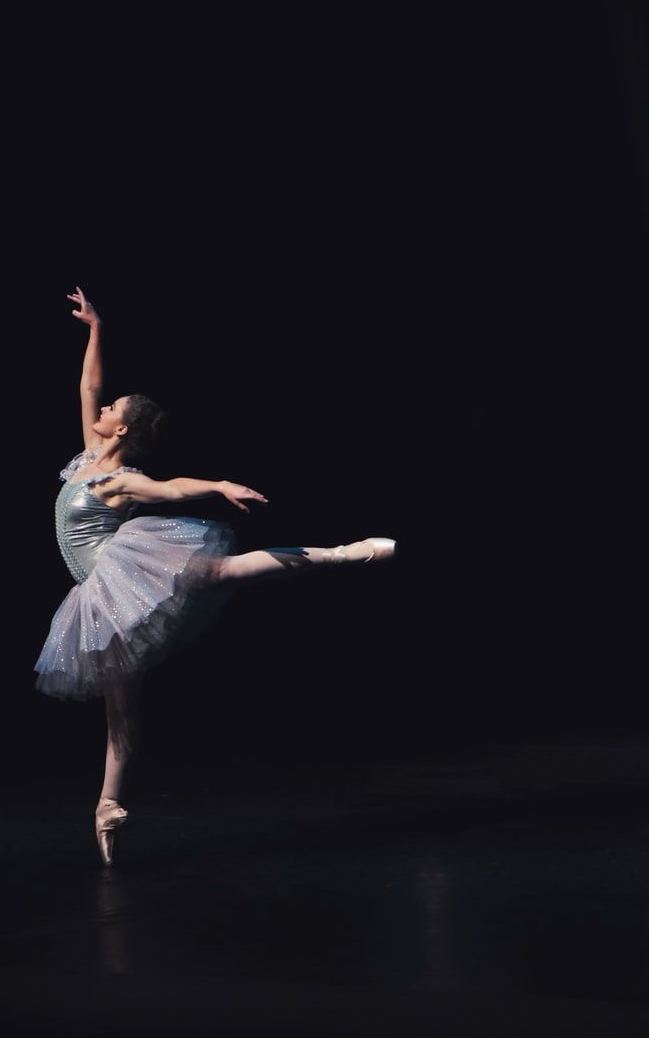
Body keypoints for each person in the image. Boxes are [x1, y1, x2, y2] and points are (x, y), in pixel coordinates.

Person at [35, 286, 396, 866]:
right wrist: (96, 329)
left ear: (121, 431)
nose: (102, 411)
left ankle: (344, 553)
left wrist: (218, 485)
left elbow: (170, 489)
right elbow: (88, 388)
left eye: (112, 411)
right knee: (121, 709)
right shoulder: (87, 456)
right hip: (97, 596)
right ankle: (108, 806)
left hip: (122, 576)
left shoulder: (120, 479)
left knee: (225, 568)